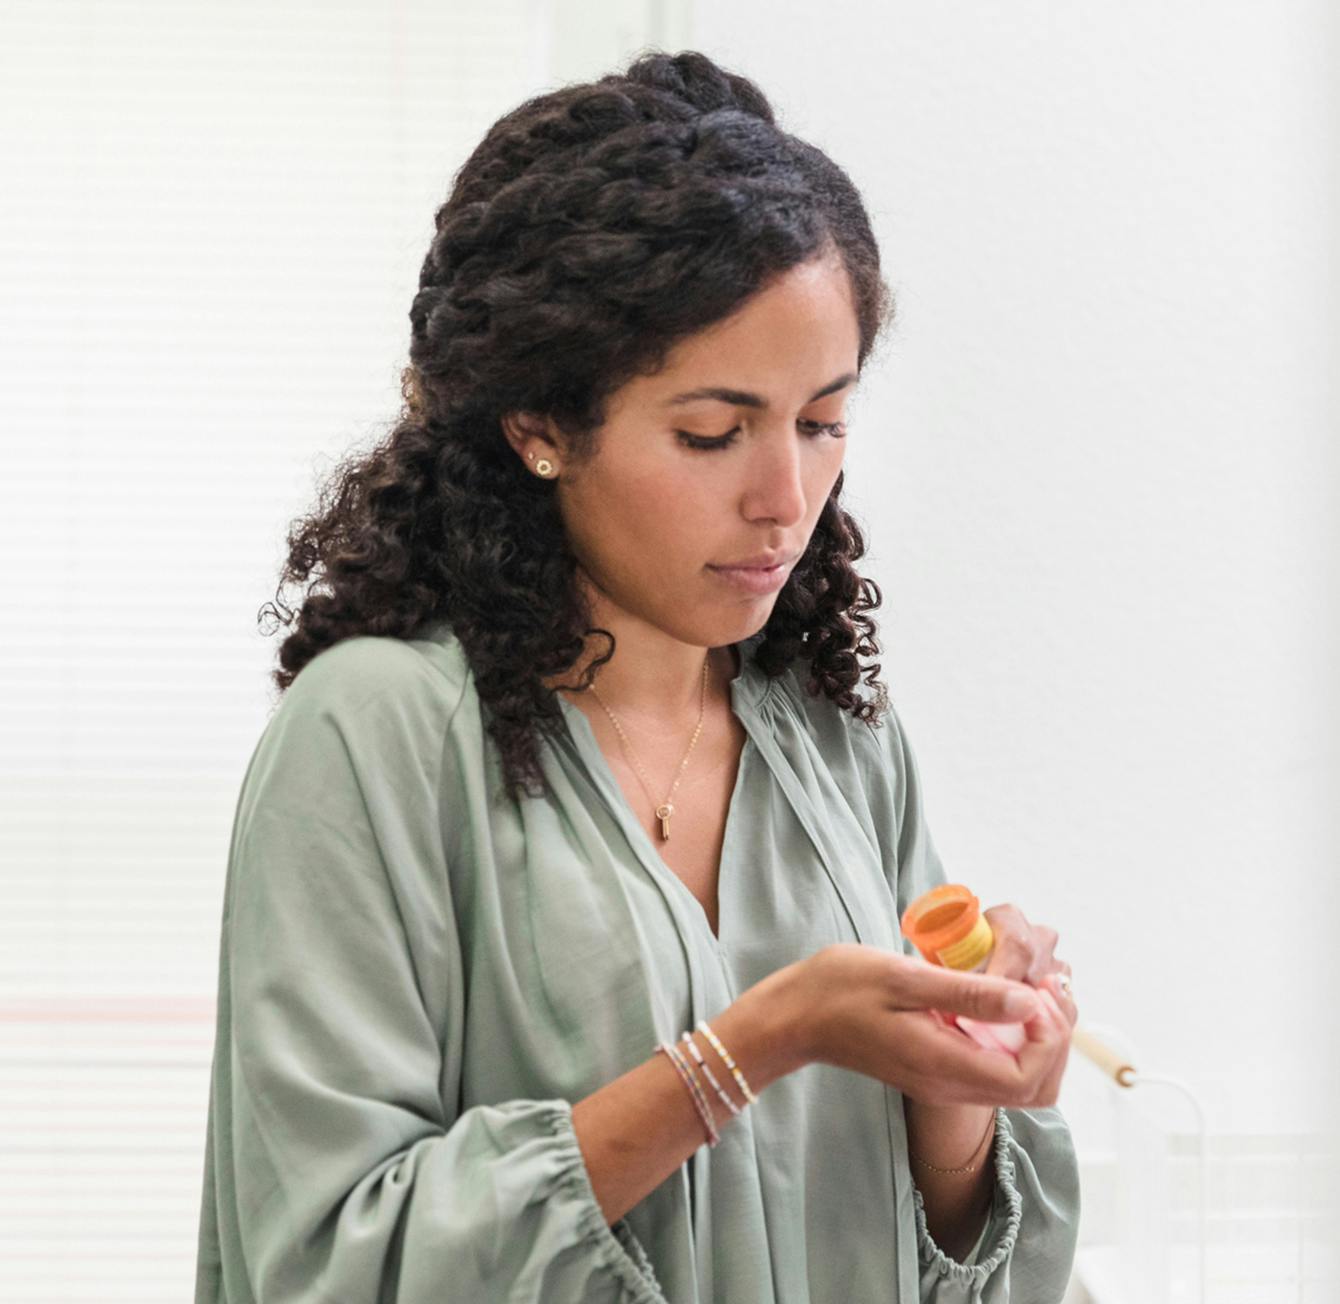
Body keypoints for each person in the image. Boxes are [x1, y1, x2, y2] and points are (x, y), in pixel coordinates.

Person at [194, 48, 1081, 1304]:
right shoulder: (373, 737)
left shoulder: (836, 741)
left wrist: (952, 1099)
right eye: (711, 432)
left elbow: (963, 1261)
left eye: (821, 421)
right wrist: (754, 1043)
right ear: (538, 426)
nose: (786, 498)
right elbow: (331, 1257)